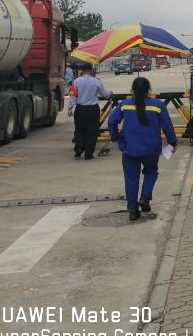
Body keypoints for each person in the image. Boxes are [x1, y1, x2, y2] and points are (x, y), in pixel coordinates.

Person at [106, 77, 178, 221]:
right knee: (151, 171)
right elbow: (167, 126)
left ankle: (133, 210)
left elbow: (112, 121)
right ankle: (145, 196)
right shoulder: (157, 105)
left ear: (132, 89)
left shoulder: (124, 105)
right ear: (148, 90)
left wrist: (116, 137)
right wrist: (172, 142)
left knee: (131, 178)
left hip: (130, 149)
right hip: (151, 149)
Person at [67, 62, 111, 159]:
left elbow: (72, 95)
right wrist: (110, 93)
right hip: (92, 109)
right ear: (91, 70)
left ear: (82, 70)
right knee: (92, 131)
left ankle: (79, 148)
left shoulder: (76, 81)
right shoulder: (96, 81)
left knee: (79, 129)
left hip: (80, 109)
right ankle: (88, 153)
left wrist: (70, 108)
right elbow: (105, 94)